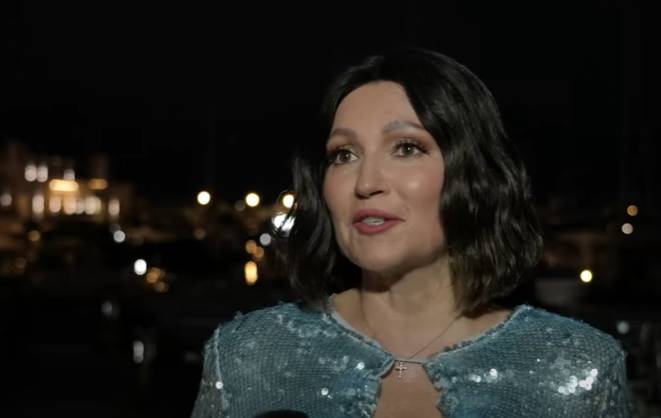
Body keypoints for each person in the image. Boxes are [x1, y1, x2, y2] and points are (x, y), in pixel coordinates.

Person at [190, 48, 632, 418]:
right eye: (344, 154)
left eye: (406, 148)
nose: (366, 183)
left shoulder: (576, 370)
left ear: (473, 174)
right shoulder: (247, 358)